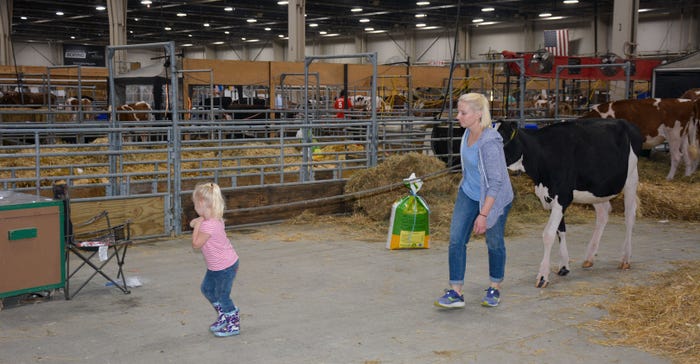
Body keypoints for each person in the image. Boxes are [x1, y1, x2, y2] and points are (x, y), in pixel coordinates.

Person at [435, 92, 514, 309]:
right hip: (469, 193)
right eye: (458, 111)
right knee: (456, 238)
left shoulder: (490, 142)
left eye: (463, 112)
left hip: (494, 198)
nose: (458, 116)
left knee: (494, 241)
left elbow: (496, 183)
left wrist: (484, 214)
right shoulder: (466, 134)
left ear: (478, 114)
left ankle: (494, 287)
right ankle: (456, 291)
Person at [190, 182, 241, 337]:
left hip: (225, 266)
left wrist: (197, 224)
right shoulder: (213, 218)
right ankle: (224, 316)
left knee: (222, 295)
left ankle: (233, 323)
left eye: (194, 204)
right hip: (215, 266)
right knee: (206, 289)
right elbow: (193, 222)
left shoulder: (209, 225)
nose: (194, 207)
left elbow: (196, 243)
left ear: (201, 203)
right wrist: (198, 221)